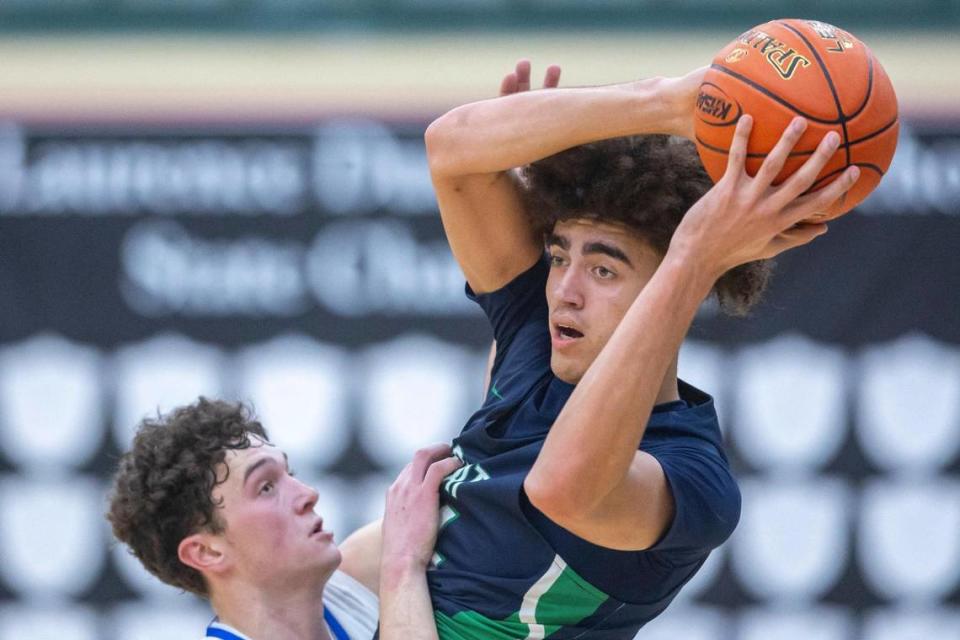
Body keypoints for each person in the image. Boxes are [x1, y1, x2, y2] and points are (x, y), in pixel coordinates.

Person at [420, 60, 859, 637]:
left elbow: (560, 490)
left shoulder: (694, 479)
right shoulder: (537, 336)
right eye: (558, 257)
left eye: (603, 269)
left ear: (673, 284)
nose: (564, 292)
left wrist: (697, 257)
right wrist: (670, 102)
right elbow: (451, 149)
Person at [106, 397, 458, 640]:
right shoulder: (391, 566)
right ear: (207, 552)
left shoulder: (355, 580)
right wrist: (404, 567)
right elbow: (402, 557)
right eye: (266, 488)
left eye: (290, 473)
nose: (307, 494)